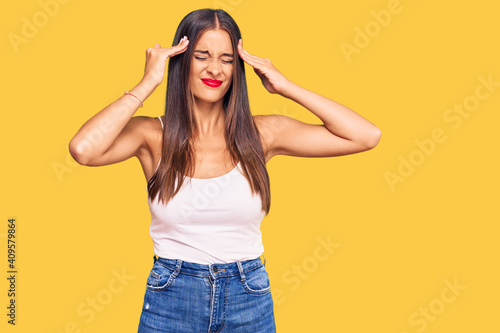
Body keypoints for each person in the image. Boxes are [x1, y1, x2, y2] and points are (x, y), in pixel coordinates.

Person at [68, 8, 381, 333]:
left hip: (248, 296)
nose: (215, 68)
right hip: (172, 297)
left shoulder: (261, 134)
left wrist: (286, 86)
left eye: (227, 59)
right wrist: (147, 83)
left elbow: (365, 135)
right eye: (202, 56)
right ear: (181, 61)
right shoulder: (152, 136)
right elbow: (83, 149)